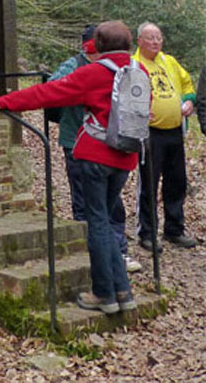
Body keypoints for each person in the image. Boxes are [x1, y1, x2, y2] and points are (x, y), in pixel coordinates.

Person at [0, 21, 146, 315]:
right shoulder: (139, 72)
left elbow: (47, 94)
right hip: (126, 158)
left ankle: (104, 295)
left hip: (96, 157)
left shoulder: (94, 73)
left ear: (98, 45)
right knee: (107, 221)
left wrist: (4, 102)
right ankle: (122, 290)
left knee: (97, 223)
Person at [50, 25, 141, 274]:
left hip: (109, 146)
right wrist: (82, 90)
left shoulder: (118, 69)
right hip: (76, 143)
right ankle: (90, 258)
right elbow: (52, 88)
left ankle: (117, 253)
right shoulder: (74, 67)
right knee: (84, 205)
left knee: (112, 207)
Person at [133, 22, 197, 251]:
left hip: (175, 131)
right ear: (139, 40)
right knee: (149, 183)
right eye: (150, 37)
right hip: (150, 133)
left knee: (176, 181)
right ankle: (147, 233)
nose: (155, 42)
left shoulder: (169, 61)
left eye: (158, 37)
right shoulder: (134, 65)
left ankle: (175, 229)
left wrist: (189, 100)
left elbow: (187, 83)